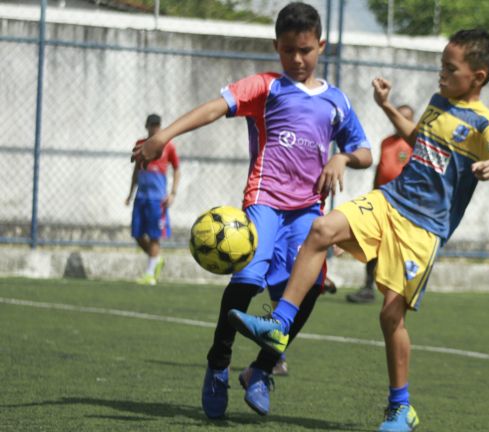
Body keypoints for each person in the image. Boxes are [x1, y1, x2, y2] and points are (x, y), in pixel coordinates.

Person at [229, 29, 489, 431]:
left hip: (424, 228)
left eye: (450, 69)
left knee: (389, 316)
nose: (441, 74)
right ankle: (278, 326)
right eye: (441, 66)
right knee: (321, 230)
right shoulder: (437, 102)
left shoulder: (485, 124)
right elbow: (419, 139)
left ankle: (401, 408)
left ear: (478, 77)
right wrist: (386, 107)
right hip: (390, 200)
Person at [132, 2, 372, 419]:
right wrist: (164, 136)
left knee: (309, 289)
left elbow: (364, 151)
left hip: (308, 212)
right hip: (264, 200)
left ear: (321, 46)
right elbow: (212, 108)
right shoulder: (266, 87)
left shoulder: (336, 101)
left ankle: (260, 370)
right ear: (276, 47)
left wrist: (343, 159)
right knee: (246, 280)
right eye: (287, 51)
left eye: (305, 50)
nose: (297, 60)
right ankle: (218, 362)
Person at [346, 104, 415, 304]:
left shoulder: (416, 144)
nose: (399, 122)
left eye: (405, 118)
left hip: (403, 204)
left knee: (400, 248)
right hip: (382, 200)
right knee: (373, 243)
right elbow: (381, 169)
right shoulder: (386, 142)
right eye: (396, 117)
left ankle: (402, 290)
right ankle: (368, 287)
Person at [125, 114, 180, 286]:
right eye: (152, 125)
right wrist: (130, 193)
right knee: (138, 234)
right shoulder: (140, 145)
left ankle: (150, 273)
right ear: (147, 126)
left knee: (155, 235)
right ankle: (155, 260)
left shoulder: (168, 146)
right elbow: (136, 170)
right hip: (141, 196)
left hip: (157, 199)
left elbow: (177, 169)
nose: (155, 128)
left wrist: (172, 193)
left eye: (157, 125)